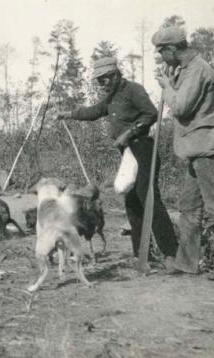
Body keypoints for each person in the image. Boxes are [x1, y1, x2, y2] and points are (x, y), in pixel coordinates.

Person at [57, 57, 178, 267]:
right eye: (98, 82)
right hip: (129, 154)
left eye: (104, 80)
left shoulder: (133, 90)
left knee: (149, 198)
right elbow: (93, 111)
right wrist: (69, 114)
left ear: (114, 75)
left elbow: (151, 113)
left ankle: (171, 254)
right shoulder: (112, 97)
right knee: (132, 203)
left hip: (144, 149)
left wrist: (128, 133)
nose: (101, 85)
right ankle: (141, 255)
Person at [152, 25, 214, 280]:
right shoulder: (186, 70)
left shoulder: (198, 69)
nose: (161, 58)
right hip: (195, 149)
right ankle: (186, 262)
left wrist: (167, 87)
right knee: (189, 206)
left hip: (206, 147)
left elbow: (180, 107)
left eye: (161, 53)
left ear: (171, 49)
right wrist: (171, 80)